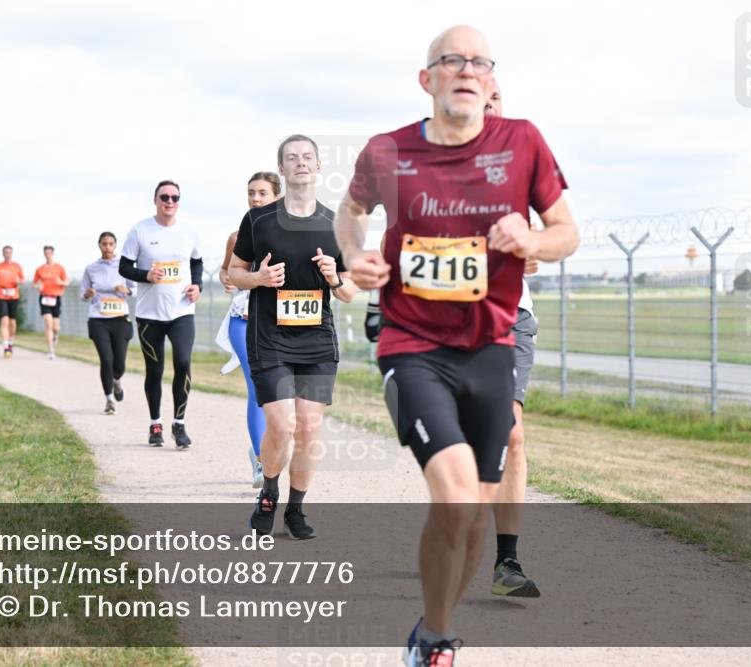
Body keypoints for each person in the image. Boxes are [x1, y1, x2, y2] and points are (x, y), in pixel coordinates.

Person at [334, 25, 578, 665]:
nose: (467, 70)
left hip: (491, 348)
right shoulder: (388, 151)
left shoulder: (522, 142)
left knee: (473, 515)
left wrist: (534, 242)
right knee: (457, 493)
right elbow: (350, 211)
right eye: (452, 60)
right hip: (412, 345)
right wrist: (355, 255)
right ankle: (439, 642)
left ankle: (429, 629)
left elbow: (566, 231)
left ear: (490, 80)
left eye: (479, 62)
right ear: (428, 79)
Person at [228, 134, 357, 539]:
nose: (300, 162)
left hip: (317, 341)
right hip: (269, 337)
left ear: (318, 166)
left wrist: (335, 277)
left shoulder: (336, 223)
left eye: (307, 157)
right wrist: (259, 278)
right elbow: (233, 273)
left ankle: (296, 510)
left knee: (309, 429)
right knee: (282, 426)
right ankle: (269, 492)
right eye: (292, 158)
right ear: (281, 168)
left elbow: (350, 291)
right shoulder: (258, 220)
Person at [480, 79, 542, 598]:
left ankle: (507, 560)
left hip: (512, 317)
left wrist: (535, 248)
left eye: (495, 95)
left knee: (512, 434)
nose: (487, 103)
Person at [118, 180, 203, 449]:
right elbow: (124, 267)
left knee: (183, 362)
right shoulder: (140, 230)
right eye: (164, 197)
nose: (169, 201)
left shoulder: (188, 232)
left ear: (179, 201)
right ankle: (155, 423)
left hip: (182, 312)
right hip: (149, 315)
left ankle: (179, 423)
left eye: (174, 197)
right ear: (155, 200)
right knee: (155, 370)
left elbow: (197, 261)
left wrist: (197, 285)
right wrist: (146, 275)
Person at [217, 171, 282, 487]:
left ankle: (269, 448)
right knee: (258, 389)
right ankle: (260, 462)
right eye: (251, 193)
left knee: (281, 395)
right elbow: (225, 270)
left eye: (262, 193)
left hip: (280, 323)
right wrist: (227, 280)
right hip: (242, 321)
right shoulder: (237, 237)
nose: (255, 199)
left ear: (277, 197)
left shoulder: (289, 235)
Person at [82, 232, 137, 415]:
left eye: (111, 243)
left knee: (119, 364)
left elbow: (136, 289)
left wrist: (127, 290)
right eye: (104, 243)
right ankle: (109, 400)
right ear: (99, 245)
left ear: (115, 245)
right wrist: (87, 294)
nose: (107, 247)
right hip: (98, 318)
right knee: (106, 360)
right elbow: (82, 294)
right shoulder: (91, 268)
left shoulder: (124, 266)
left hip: (120, 318)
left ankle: (116, 380)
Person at [33, 245, 69, 359]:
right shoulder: (39, 269)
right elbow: (34, 283)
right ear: (44, 254)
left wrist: (61, 283)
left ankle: (55, 336)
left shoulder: (59, 268)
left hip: (56, 298)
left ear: (53, 254)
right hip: (44, 298)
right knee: (48, 323)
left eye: (50, 253)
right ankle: (50, 350)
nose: (48, 255)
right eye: (46, 253)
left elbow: (67, 281)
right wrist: (38, 286)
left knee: (56, 328)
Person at [0, 245, 24, 358]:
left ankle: (10, 342)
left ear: (12, 254)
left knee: (12, 322)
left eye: (9, 252)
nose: (7, 254)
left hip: (14, 295)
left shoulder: (17, 266)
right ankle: (5, 346)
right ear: (3, 254)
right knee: (4, 320)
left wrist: (19, 281)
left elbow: (22, 280)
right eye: (6, 252)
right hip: (1, 294)